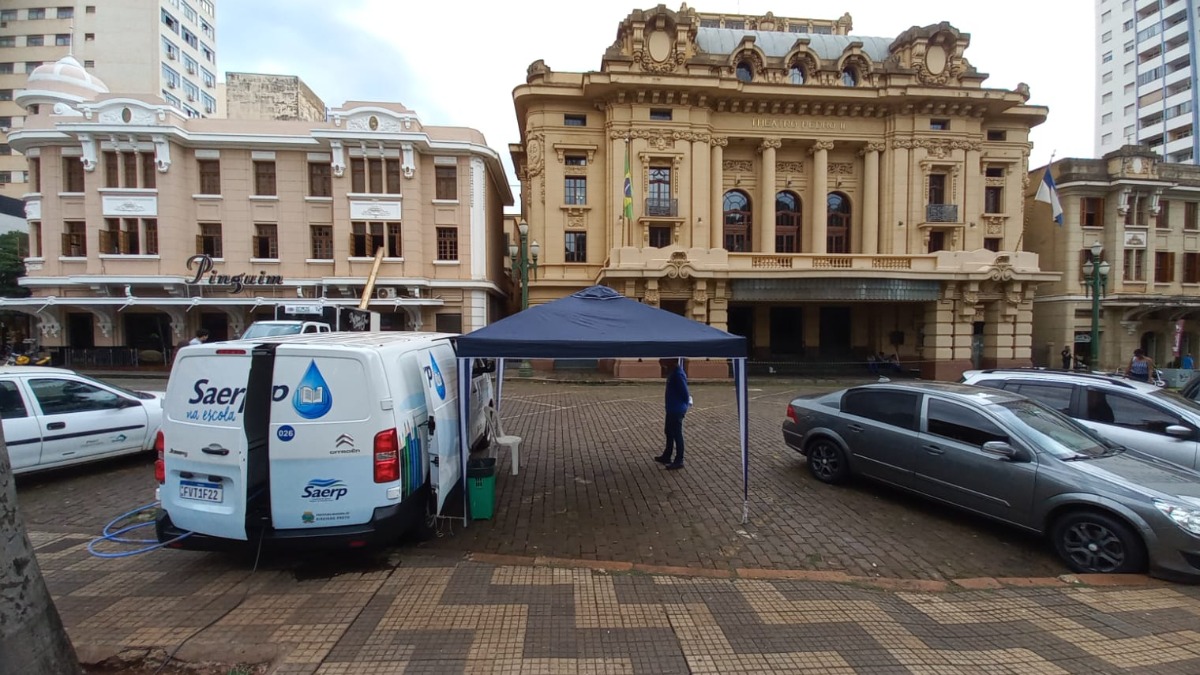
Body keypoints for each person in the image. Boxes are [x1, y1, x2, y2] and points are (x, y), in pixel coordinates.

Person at [654, 357, 691, 471]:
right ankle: (667, 455)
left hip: (676, 410)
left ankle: (679, 460)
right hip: (671, 409)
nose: (662, 361)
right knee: (669, 432)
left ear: (672, 361)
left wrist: (683, 407)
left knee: (677, 434)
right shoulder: (672, 373)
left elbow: (685, 394)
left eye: (665, 360)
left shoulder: (678, 374)